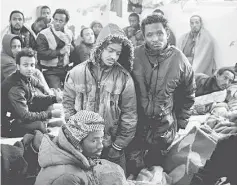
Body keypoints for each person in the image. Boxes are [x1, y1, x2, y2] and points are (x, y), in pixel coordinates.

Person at [63, 23, 138, 173]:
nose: (113, 57)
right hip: (82, 147)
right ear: (100, 47)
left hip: (112, 147)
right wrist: (78, 138)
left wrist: (118, 145)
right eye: (110, 50)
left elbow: (130, 115)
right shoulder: (76, 73)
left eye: (118, 53)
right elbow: (68, 107)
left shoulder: (124, 78)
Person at [127, 15, 196, 176]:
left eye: (159, 33)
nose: (155, 38)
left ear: (167, 33)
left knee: (157, 172)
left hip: (163, 130)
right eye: (149, 35)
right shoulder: (134, 56)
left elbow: (188, 94)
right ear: (143, 37)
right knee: (132, 172)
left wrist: (181, 122)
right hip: (136, 128)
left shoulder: (179, 59)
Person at [35, 110, 128, 185]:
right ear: (78, 144)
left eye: (101, 138)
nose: (101, 146)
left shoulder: (76, 161)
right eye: (94, 141)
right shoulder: (67, 178)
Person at [1, 48, 63, 137]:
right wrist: (50, 114)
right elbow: (26, 116)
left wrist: (54, 98)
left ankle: (45, 125)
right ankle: (44, 127)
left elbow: (34, 95)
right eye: (25, 65)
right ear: (18, 66)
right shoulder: (15, 87)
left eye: (32, 65)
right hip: (9, 124)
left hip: (19, 113)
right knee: (39, 125)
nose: (30, 69)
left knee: (47, 103)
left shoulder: (26, 77)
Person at [36, 8, 74, 89]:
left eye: (61, 21)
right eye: (55, 19)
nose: (57, 23)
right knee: (57, 94)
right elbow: (40, 54)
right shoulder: (43, 34)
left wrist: (70, 47)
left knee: (73, 91)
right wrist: (59, 52)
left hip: (66, 69)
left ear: (66, 22)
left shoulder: (69, 33)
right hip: (50, 71)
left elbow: (72, 52)